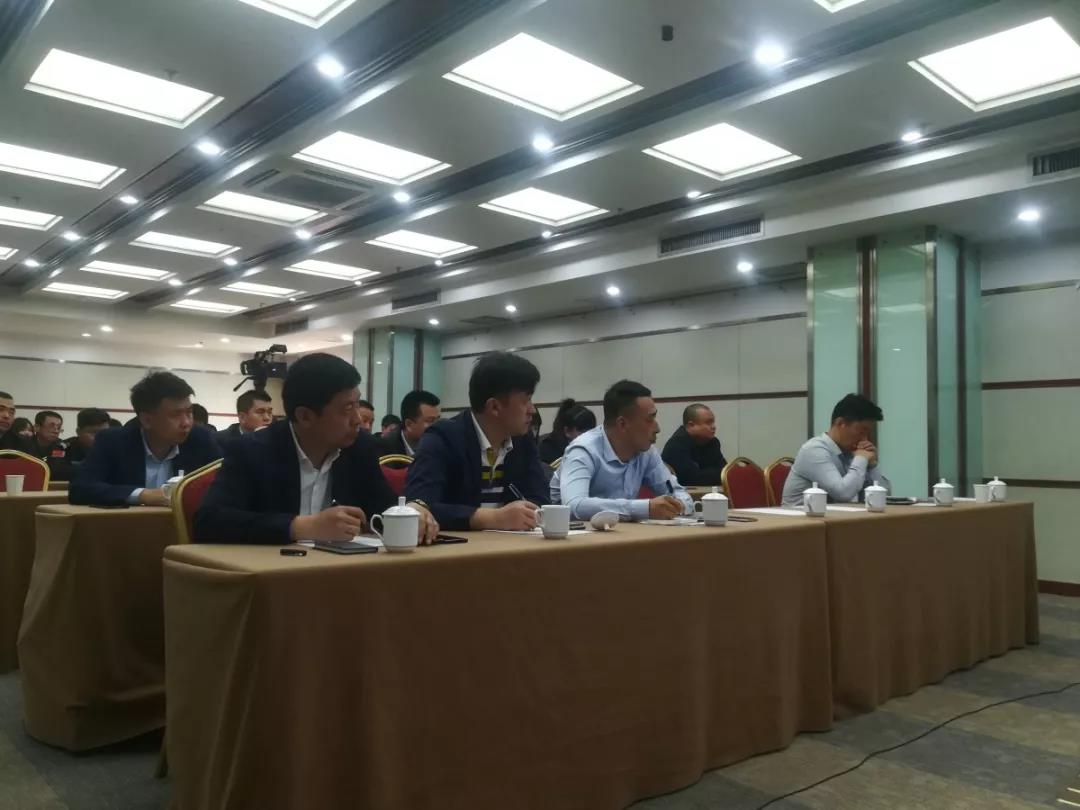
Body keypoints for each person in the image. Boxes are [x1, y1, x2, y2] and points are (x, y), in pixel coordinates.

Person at [194, 352, 437, 545]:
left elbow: (382, 506)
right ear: (305, 416)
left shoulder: (359, 448)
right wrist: (301, 526)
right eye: (347, 409)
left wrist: (410, 510)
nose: (357, 420)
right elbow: (209, 521)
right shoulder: (252, 451)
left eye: (357, 405)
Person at [406, 351, 549, 531]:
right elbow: (420, 506)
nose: (532, 410)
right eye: (526, 401)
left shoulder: (522, 441)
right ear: (494, 407)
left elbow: (541, 499)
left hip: (513, 545)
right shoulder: (442, 437)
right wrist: (492, 518)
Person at [70, 371, 222, 507]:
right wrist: (143, 495)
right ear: (146, 420)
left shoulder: (201, 440)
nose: (187, 423)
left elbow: (224, 487)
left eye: (189, 412)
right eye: (175, 415)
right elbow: (80, 489)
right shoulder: (113, 441)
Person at [552, 380, 693, 521]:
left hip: (618, 530)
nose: (657, 428)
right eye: (650, 419)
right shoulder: (583, 450)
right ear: (623, 423)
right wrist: (645, 508)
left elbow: (678, 494)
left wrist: (678, 505)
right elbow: (574, 506)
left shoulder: (646, 452)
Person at [782, 393, 891, 507]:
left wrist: (872, 465)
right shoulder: (814, 450)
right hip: (800, 516)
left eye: (868, 433)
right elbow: (843, 494)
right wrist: (861, 458)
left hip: (834, 515)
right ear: (840, 423)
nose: (865, 438)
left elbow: (884, 496)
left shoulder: (852, 451)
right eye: (862, 431)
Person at [661, 404, 727, 486]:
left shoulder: (713, 442)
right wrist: (715, 473)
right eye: (708, 423)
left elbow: (725, 473)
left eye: (713, 422)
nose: (713, 427)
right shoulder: (676, 445)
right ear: (691, 425)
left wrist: (705, 473)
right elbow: (691, 479)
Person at [379, 390, 440, 458]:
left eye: (438, 420)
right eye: (430, 421)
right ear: (409, 424)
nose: (437, 426)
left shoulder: (440, 445)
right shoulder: (384, 450)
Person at [538, 399, 597, 464]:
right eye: (583, 431)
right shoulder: (547, 449)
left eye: (591, 431)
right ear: (567, 431)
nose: (588, 436)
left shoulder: (593, 449)